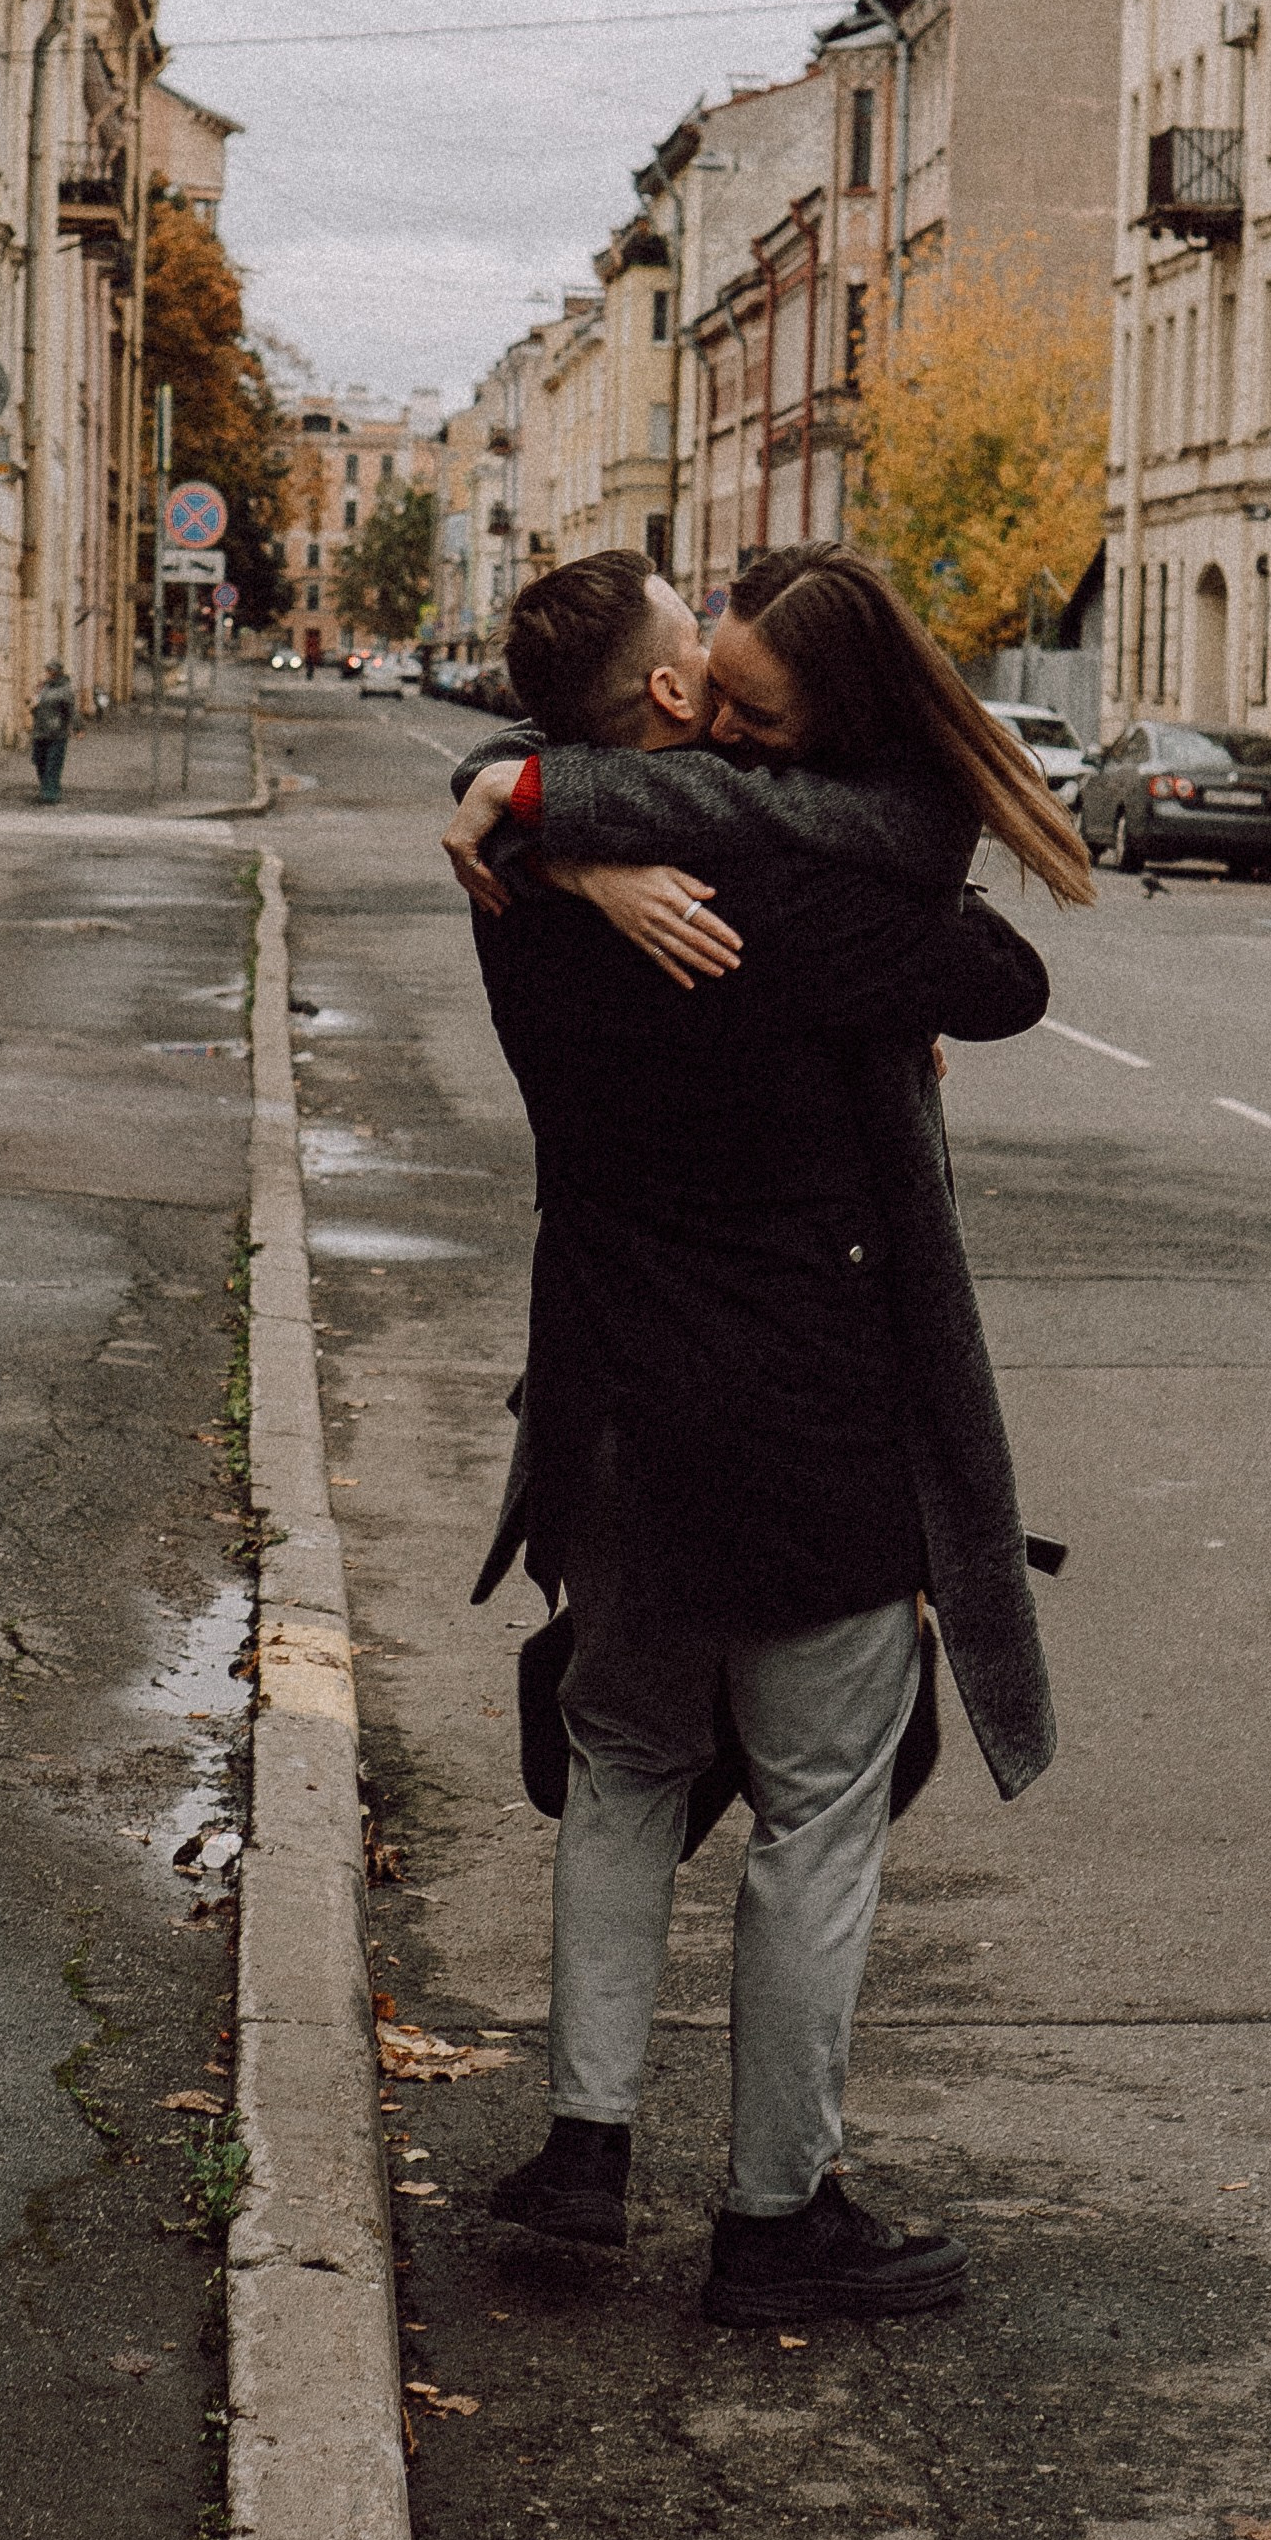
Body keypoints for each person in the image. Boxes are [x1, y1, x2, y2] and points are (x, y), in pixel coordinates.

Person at [442, 544, 1086, 2323]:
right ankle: (772, 2212)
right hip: (802, 1421)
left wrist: (543, 817)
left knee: (627, 1760)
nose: (713, 703)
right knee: (820, 1807)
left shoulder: (511, 884)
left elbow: (508, 809)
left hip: (606, 1411)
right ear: (662, 702)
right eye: (698, 673)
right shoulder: (797, 906)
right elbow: (1003, 969)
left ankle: (584, 2147)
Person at [27, 661, 76, 805]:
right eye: (47, 670)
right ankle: (45, 787)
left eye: (51, 671)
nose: (48, 673)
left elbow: (71, 711)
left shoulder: (65, 689)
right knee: (39, 761)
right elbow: (34, 706)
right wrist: (31, 703)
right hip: (40, 731)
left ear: (58, 672)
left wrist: (77, 727)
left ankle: (51, 793)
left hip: (57, 732)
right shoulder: (42, 688)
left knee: (53, 763)